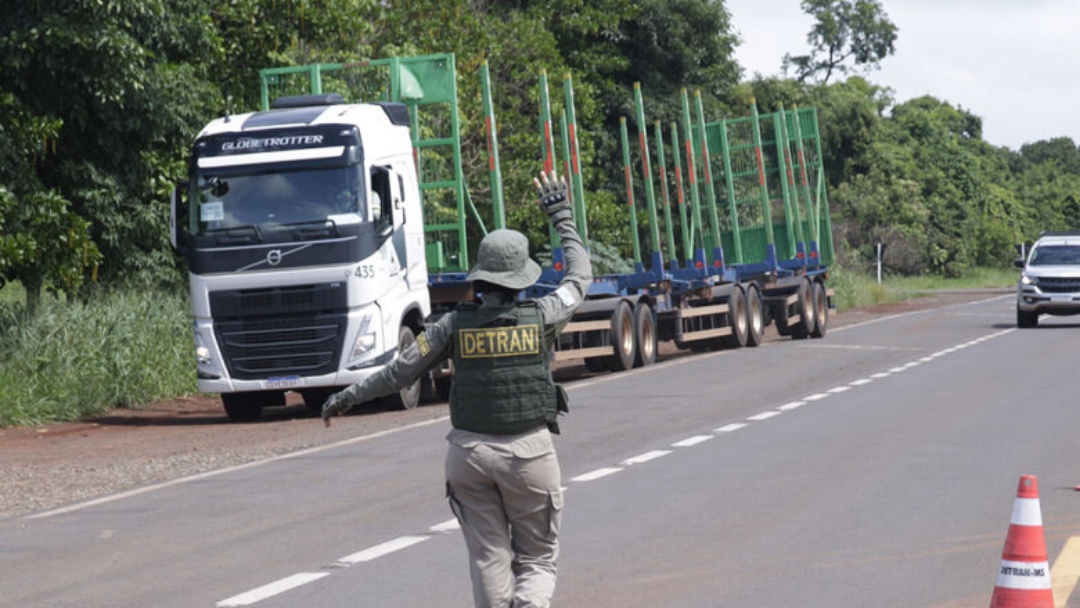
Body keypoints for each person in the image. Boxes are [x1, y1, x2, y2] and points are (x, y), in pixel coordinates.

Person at [321, 169, 591, 608]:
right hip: (530, 453)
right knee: (538, 560)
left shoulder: (451, 326)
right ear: (522, 277)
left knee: (488, 558)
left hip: (469, 457)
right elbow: (579, 278)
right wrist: (561, 216)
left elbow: (398, 373)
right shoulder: (542, 317)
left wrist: (348, 396)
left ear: (481, 275)